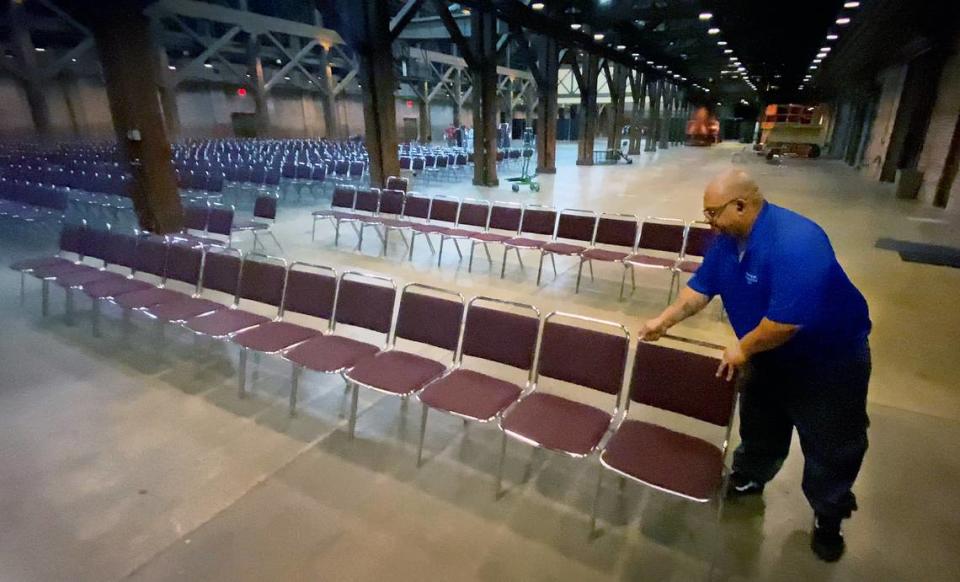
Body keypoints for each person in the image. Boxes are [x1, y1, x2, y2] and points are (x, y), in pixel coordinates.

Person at [640, 169, 871, 562]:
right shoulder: (727, 241)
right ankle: (751, 476)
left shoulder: (798, 241)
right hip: (767, 354)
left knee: (831, 443)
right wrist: (664, 321)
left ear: (741, 205)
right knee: (761, 422)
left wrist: (742, 350)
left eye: (713, 213)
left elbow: (786, 323)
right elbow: (701, 289)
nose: (708, 222)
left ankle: (828, 514)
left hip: (828, 362)